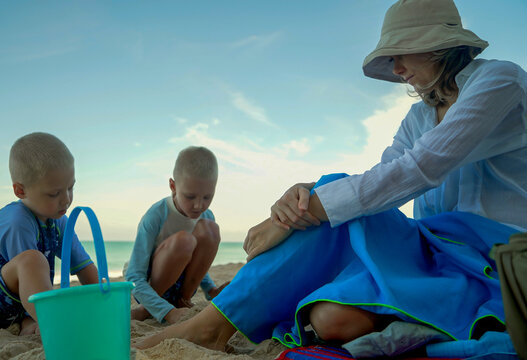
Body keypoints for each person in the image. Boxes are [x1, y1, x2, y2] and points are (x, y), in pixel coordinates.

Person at [136, 0, 527, 352]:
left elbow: (421, 168)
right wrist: (305, 195)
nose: (395, 68)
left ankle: (210, 326)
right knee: (330, 311)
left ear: (438, 45)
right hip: (434, 252)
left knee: (331, 296)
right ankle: (217, 322)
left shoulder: (500, 82)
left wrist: (288, 218)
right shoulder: (419, 116)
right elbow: (378, 178)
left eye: (400, 53)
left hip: (494, 257)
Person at [0, 132, 99, 335]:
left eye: (71, 188)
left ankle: (29, 322)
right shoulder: (16, 220)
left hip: (20, 304)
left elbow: (83, 265)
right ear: (20, 191)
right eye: (54, 193)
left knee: (37, 267)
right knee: (32, 261)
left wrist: (105, 300)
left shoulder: (58, 218)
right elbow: (29, 275)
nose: (67, 200)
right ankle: (50, 322)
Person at [125, 146, 229, 324]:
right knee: (184, 241)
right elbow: (134, 276)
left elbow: (197, 261)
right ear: (173, 186)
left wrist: (210, 289)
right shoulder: (157, 215)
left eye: (207, 197)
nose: (198, 205)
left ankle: (183, 301)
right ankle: (147, 310)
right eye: (190, 197)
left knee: (210, 229)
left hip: (182, 286)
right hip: (152, 288)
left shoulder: (206, 216)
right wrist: (165, 311)